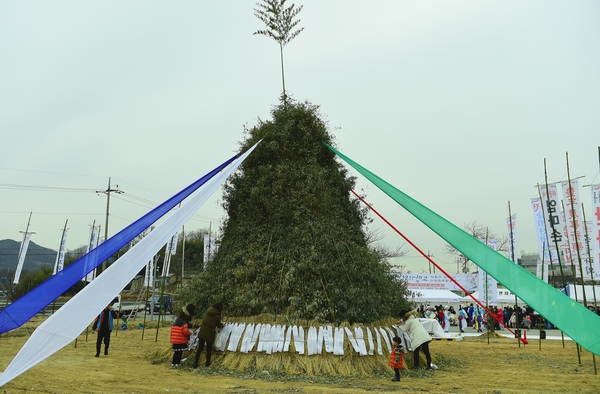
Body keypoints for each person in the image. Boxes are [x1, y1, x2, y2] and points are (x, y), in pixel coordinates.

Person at [193, 302, 224, 368]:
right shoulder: (217, 316)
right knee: (209, 349)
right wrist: (222, 325)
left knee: (200, 348)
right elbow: (219, 325)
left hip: (202, 332)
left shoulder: (208, 313)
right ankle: (207, 363)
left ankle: (195, 363)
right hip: (210, 334)